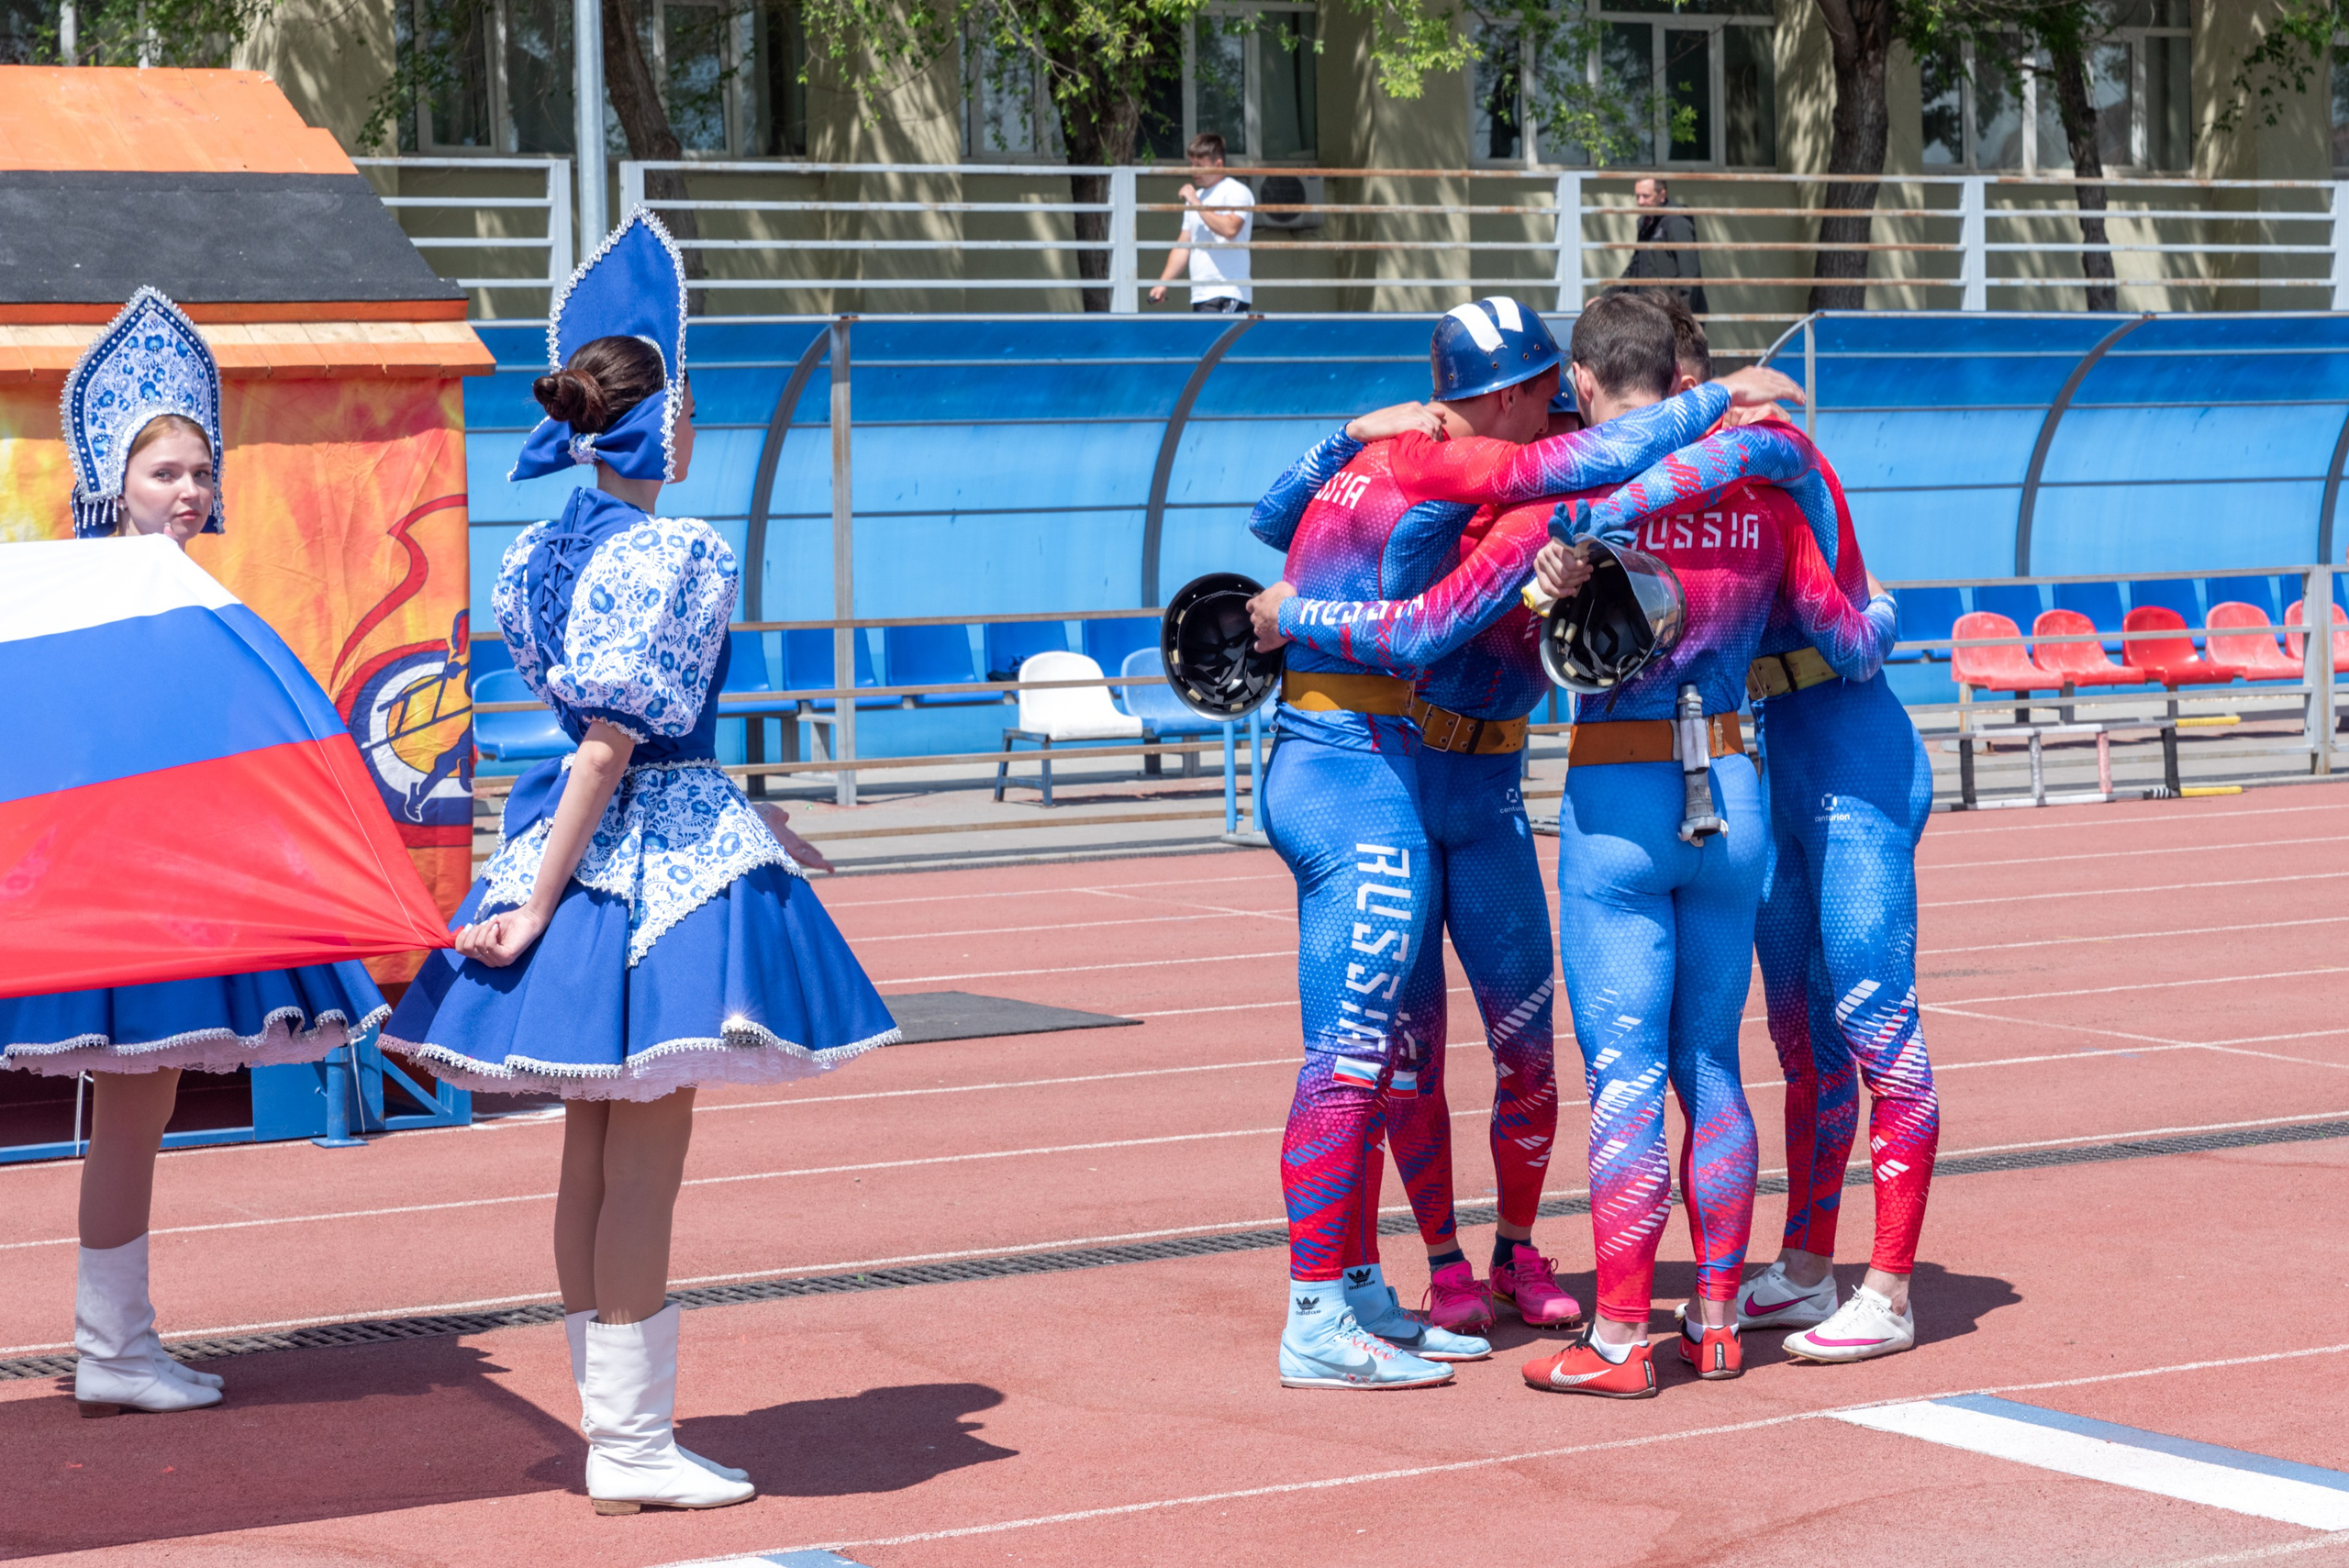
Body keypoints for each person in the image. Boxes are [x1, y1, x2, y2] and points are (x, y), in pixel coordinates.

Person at [1252, 294, 1890, 1396]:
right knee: (1668, 1059)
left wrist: (1305, 572)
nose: (1556, 406)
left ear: (1583, 382)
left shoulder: (1552, 490)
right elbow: (1843, 630)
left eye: (1566, 387)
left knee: (1560, 1060)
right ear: (1511, 393)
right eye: (1537, 391)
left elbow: (1294, 532)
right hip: (1663, 776)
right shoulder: (1743, 472)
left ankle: (1575, 1312)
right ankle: (1680, 1308)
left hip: (1523, 784)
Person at [382, 211, 896, 1511]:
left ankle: (614, 1426)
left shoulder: (534, 552)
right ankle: (631, 1442)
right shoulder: (681, 548)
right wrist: (535, 902)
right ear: (662, 425)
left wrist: (541, 889)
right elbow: (620, 744)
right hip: (643, 865)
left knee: (593, 1152)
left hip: (583, 835)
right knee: (644, 1153)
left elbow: (607, 735)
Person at [0, 287, 391, 1418]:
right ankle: (111, 1345)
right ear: (112, 477)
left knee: (147, 1105)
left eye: (200, 474)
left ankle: (116, 1337)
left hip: (176, 892)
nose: (186, 491)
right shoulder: (84, 594)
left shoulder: (196, 598)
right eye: (165, 471)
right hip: (116, 899)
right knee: (136, 1105)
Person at [1666, 309, 1939, 1363]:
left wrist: (1868, 615)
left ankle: (1892, 1286)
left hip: (1853, 754)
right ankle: (1811, 1263)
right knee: (1799, 1034)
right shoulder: (1678, 469)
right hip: (1772, 756)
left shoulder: (1774, 455)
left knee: (1874, 1020)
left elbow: (1854, 638)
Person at [1150, 133, 1254, 314]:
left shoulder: (1236, 191)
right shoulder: (1197, 198)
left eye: (1199, 165)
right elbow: (1184, 245)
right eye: (1191, 164)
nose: (1193, 171)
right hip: (1201, 294)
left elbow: (1230, 229)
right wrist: (1163, 283)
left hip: (1229, 292)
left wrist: (1196, 203)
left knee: (1221, 342)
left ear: (1218, 164)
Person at [1620, 177, 1708, 317]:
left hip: (1674, 317)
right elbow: (1633, 270)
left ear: (1662, 195)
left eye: (1646, 196)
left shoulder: (1676, 222)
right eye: (1637, 196)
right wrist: (1606, 296)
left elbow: (1689, 275)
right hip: (1652, 314)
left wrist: (1680, 318)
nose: (1640, 202)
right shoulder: (1647, 224)